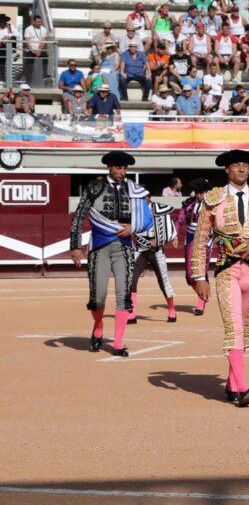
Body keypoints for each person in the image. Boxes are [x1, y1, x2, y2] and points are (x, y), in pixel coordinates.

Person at [190, 150, 249, 407]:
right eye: (237, 165)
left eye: (246, 166)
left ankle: (232, 385)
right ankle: (243, 388)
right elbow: (200, 241)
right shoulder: (214, 199)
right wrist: (199, 276)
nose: (242, 169)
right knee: (234, 328)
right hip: (226, 269)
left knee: (245, 329)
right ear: (227, 170)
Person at [69, 151, 147, 356]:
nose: (123, 172)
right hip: (100, 246)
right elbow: (79, 216)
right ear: (109, 168)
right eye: (119, 168)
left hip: (124, 247)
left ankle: (119, 343)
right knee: (98, 296)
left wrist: (133, 226)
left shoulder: (134, 189)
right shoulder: (94, 187)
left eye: (125, 168)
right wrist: (75, 246)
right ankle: (98, 326)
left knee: (124, 294)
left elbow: (146, 217)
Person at [172, 178, 211, 316]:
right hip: (189, 239)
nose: (199, 195)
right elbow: (179, 220)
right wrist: (175, 236)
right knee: (189, 276)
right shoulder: (189, 205)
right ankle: (203, 293)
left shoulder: (213, 206)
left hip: (205, 240)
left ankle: (201, 302)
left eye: (202, 192)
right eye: (198, 192)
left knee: (200, 271)